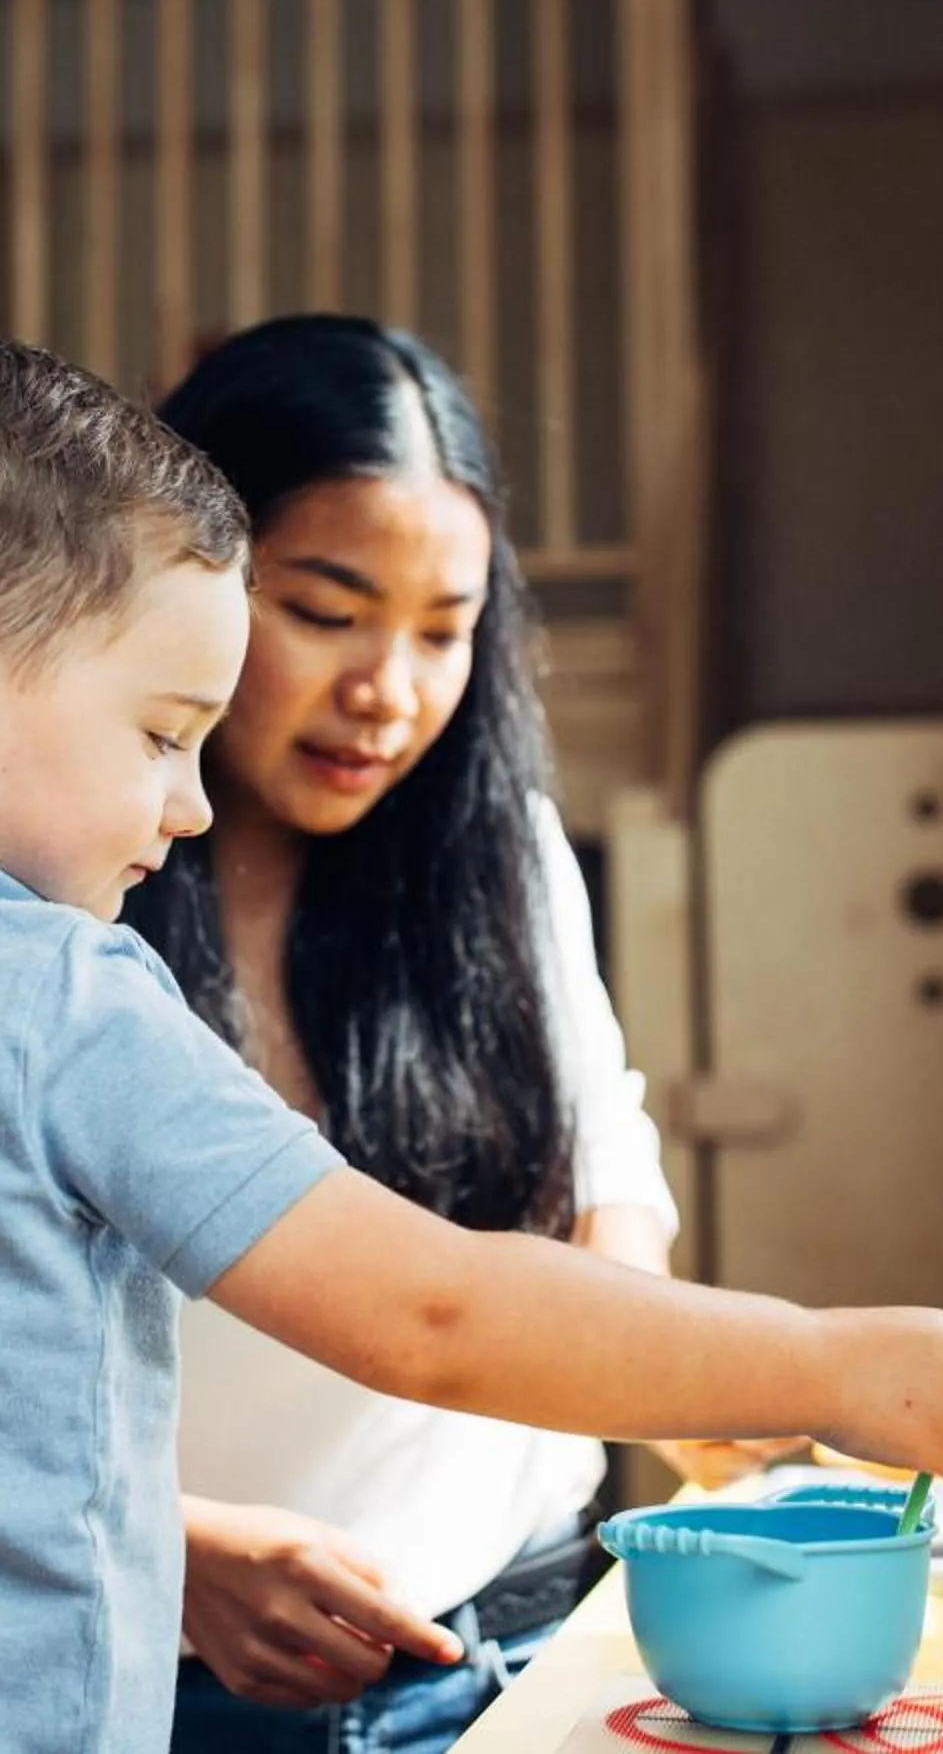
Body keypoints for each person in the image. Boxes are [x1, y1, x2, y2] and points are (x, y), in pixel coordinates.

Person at [0, 328, 943, 1754]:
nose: (189, 801)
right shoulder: (63, 998)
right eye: (159, 735)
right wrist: (826, 1358)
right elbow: (428, 1312)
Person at [127, 316, 769, 1752]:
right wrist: (167, 1543)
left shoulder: (501, 857)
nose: (391, 693)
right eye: (327, 609)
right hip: (170, 1693)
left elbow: (608, 1194)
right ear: (186, 584)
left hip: (523, 1653)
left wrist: (682, 1385)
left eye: (443, 628)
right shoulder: (61, 896)